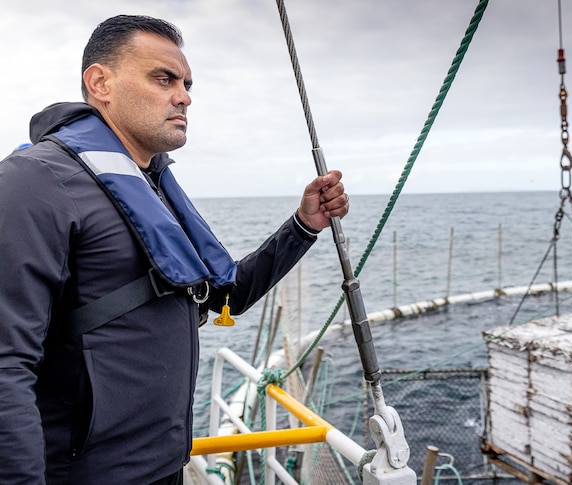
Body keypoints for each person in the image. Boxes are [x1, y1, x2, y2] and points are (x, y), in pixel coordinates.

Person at [0, 15, 348, 484]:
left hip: (166, 468)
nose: (183, 95)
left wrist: (304, 226)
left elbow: (226, 297)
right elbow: (6, 365)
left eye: (186, 83)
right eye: (163, 78)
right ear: (100, 82)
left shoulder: (154, 187)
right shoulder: (35, 181)